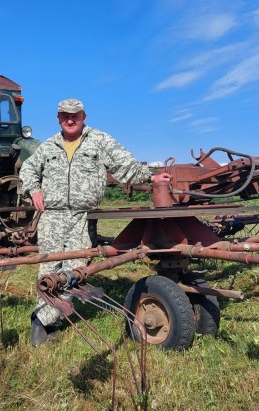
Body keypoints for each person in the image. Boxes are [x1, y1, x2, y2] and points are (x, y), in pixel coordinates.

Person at [19, 98, 171, 346]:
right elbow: (27, 171)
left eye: (75, 115)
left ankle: (44, 320)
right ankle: (45, 322)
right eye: (65, 115)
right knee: (48, 269)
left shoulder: (100, 141)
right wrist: (34, 189)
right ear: (58, 119)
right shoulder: (47, 147)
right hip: (52, 217)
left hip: (82, 217)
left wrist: (151, 177)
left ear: (84, 117)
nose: (70, 120)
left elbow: (125, 165)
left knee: (75, 270)